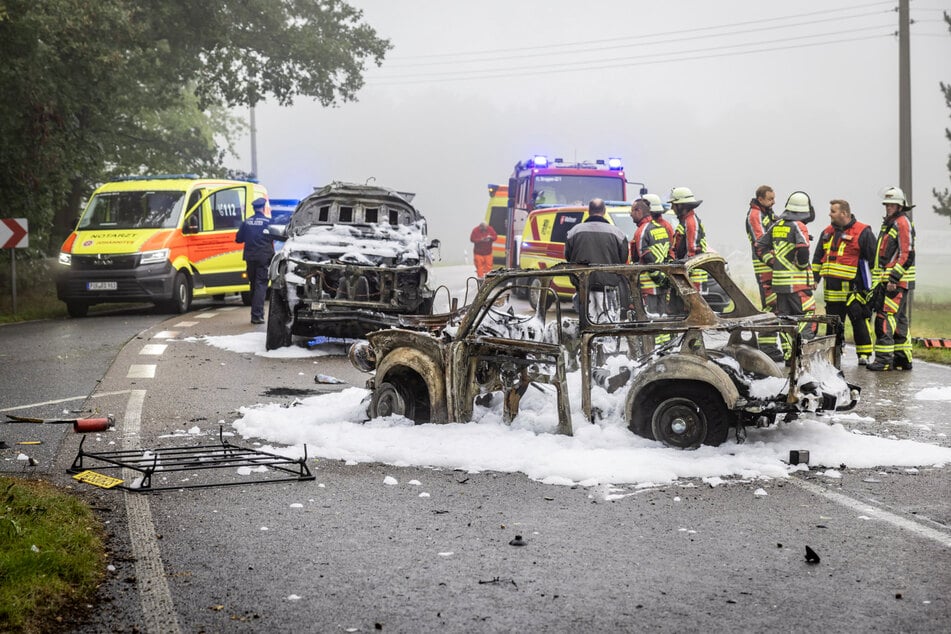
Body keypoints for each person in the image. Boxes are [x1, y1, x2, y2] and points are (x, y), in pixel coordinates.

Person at [811, 199, 876, 365]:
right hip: (831, 289)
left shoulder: (863, 232)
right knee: (833, 323)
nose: (829, 214)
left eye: (833, 211)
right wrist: (815, 279)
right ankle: (832, 355)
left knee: (859, 320)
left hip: (854, 289)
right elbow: (818, 257)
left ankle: (864, 355)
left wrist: (874, 285)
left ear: (844, 213)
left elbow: (874, 259)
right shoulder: (826, 232)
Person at [755, 191, 818, 357]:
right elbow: (803, 250)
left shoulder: (777, 224)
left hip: (780, 284)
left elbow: (759, 246)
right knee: (806, 317)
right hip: (798, 284)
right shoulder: (799, 226)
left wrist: (772, 262)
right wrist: (802, 265)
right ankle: (803, 354)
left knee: (785, 319)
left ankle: (790, 355)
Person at [867, 187, 916, 371]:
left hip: (895, 282)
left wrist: (893, 278)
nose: (888, 207)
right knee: (900, 320)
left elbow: (907, 253)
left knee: (884, 318)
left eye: (891, 204)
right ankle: (902, 358)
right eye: (886, 204)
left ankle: (884, 360)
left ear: (900, 205)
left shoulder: (902, 222)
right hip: (890, 281)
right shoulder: (891, 222)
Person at [565, 198, 629, 322]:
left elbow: (568, 256)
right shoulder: (618, 234)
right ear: (604, 211)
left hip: (584, 286)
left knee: (587, 322)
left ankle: (589, 341)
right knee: (608, 323)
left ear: (589, 211)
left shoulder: (574, 232)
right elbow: (623, 259)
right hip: (608, 287)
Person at [630, 197, 671, 315]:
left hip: (649, 287)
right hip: (663, 286)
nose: (630, 215)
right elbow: (668, 254)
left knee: (650, 321)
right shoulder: (661, 228)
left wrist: (658, 277)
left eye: (632, 211)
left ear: (639, 211)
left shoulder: (642, 231)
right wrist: (664, 279)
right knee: (662, 320)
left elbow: (645, 257)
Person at [235, 197, 273, 324]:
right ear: (263, 208)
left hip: (250, 258)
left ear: (253, 208)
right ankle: (257, 316)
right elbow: (275, 237)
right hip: (263, 258)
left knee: (253, 285)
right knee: (261, 285)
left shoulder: (246, 222)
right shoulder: (268, 222)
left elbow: (238, 239)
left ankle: (255, 314)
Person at [669, 186, 708, 292]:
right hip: (687, 275)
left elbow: (693, 250)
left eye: (673, 205)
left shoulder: (691, 222)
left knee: (693, 308)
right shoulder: (685, 221)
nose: (672, 208)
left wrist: (684, 270)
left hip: (693, 277)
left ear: (681, 205)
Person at [745, 185, 777, 311]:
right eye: (770, 199)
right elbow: (760, 242)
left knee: (777, 300)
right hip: (764, 263)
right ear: (760, 199)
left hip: (772, 261)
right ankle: (767, 329)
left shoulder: (767, 213)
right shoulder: (755, 215)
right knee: (770, 300)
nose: (773, 202)